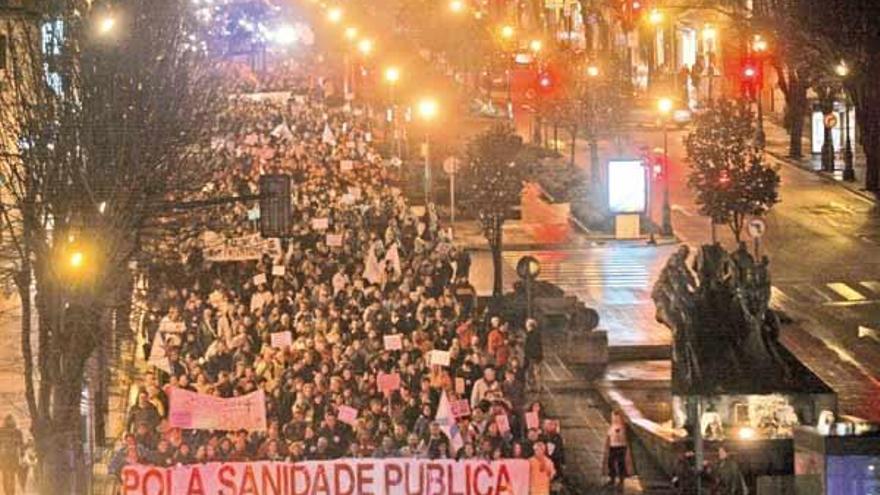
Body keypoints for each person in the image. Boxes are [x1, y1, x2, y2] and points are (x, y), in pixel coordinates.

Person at [603, 410, 630, 487]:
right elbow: (609, 437)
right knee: (611, 462)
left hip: (621, 446)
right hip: (613, 446)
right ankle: (613, 478)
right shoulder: (612, 427)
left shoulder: (622, 427)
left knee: (620, 463)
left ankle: (620, 479)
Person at [0, 416, 22, 495]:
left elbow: (20, 444)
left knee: (9, 477)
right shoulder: (1, 431)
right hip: (5, 457)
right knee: (7, 476)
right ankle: (9, 493)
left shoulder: (17, 432)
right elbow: (21, 444)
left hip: (10, 457)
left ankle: (10, 493)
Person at [523, 318, 543, 392]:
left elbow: (528, 347)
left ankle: (530, 387)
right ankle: (538, 386)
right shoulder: (537, 334)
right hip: (537, 356)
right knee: (537, 372)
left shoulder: (529, 335)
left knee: (529, 372)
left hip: (530, 357)